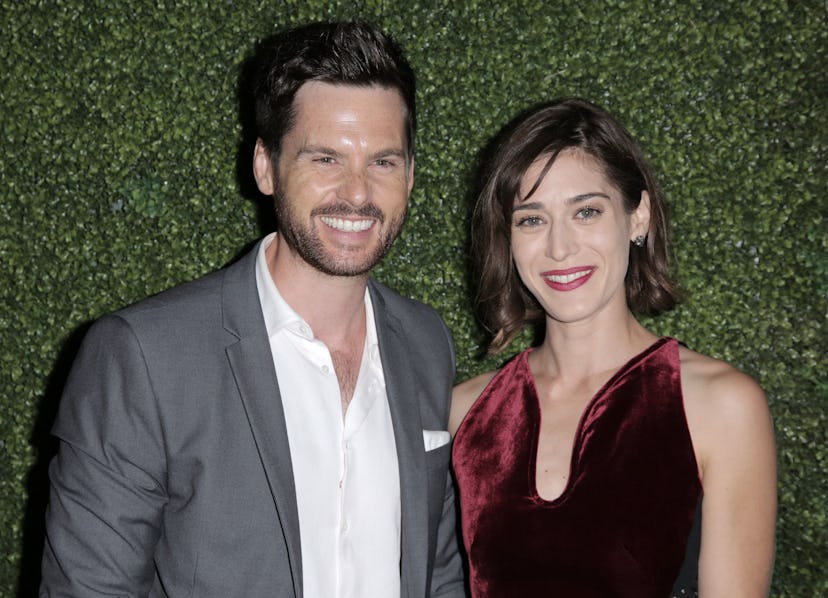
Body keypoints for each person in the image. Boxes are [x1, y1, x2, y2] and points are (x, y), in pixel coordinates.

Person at [41, 20, 466, 597]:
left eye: (383, 162)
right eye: (325, 159)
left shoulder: (425, 341)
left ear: (411, 175)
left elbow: (438, 571)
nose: (359, 192)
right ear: (265, 166)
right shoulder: (144, 356)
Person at [449, 97, 777, 597]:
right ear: (508, 239)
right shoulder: (466, 412)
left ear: (637, 217)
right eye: (531, 220)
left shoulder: (721, 406)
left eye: (586, 212)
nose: (560, 248)